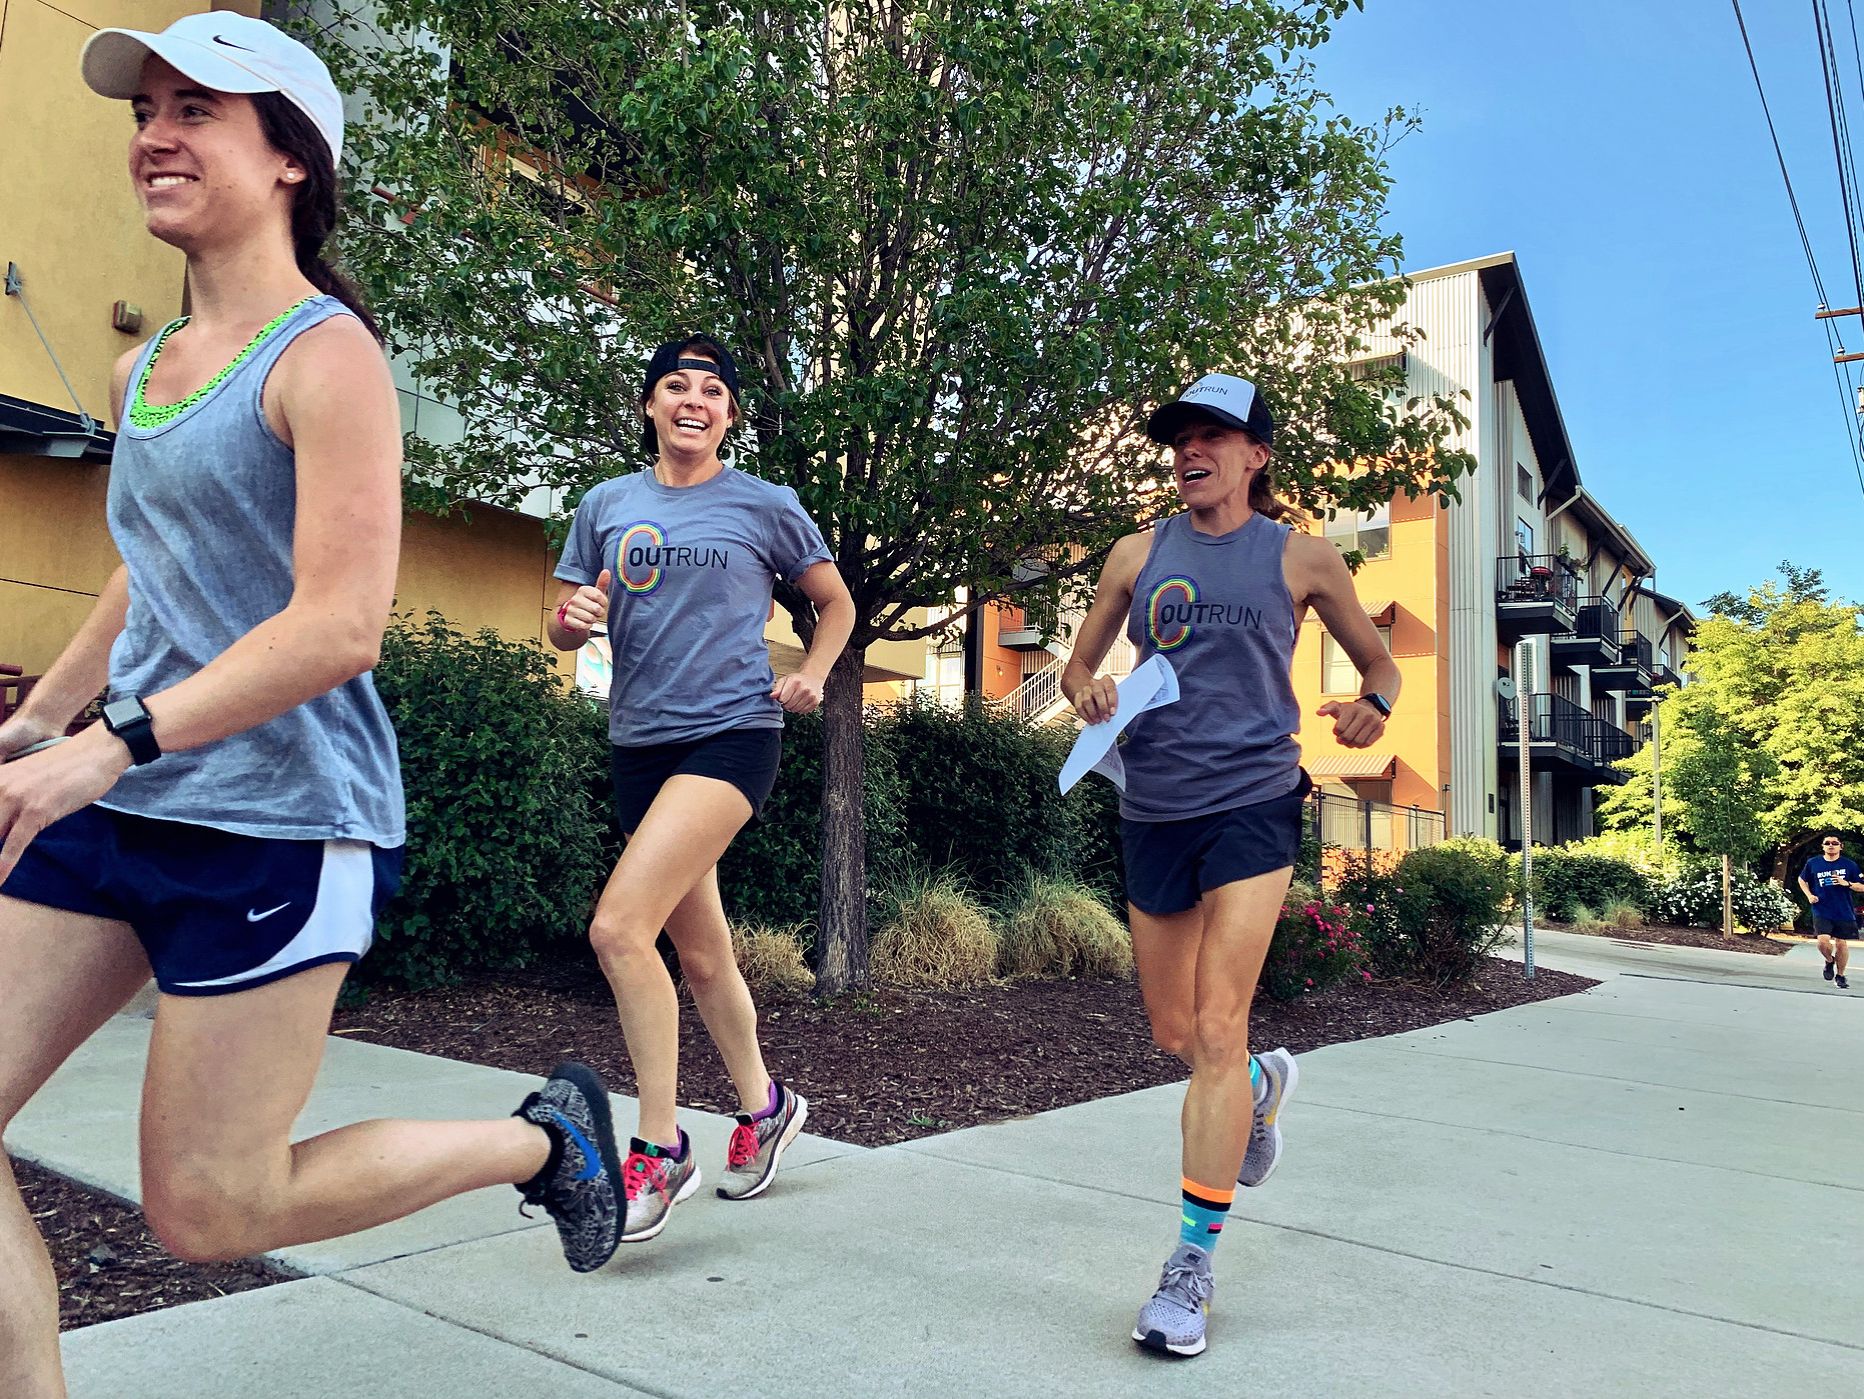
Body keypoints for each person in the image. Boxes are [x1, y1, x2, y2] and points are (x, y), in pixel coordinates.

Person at [0, 18, 624, 1396]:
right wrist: (42, 724)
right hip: (117, 794)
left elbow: (340, 626)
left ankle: (545, 1139)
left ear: (290, 157)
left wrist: (104, 744)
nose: (153, 132)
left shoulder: (328, 358)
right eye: (144, 108)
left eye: (195, 110)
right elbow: (146, 574)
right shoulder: (142, 366)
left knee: (207, 1208)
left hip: (279, 823)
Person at [1060, 373, 1398, 1358]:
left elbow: (1379, 665)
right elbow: (1078, 667)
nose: (1189, 451)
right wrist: (1090, 689)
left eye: (1213, 435)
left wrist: (1374, 700)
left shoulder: (1301, 557)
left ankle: (1189, 1268)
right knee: (1175, 1030)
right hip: (1153, 806)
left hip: (1254, 802)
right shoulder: (1136, 552)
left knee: (1214, 1021)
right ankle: (1257, 1084)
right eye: (1178, 438)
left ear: (1255, 456)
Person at [548, 335, 854, 1242]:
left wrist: (814, 672)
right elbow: (561, 625)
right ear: (649, 405)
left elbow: (834, 602)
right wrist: (573, 620)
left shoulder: (763, 504)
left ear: (728, 414)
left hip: (733, 736)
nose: (693, 399)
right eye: (675, 385)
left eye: (712, 390)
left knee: (617, 928)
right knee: (705, 954)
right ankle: (765, 1107)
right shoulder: (607, 506)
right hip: (638, 744)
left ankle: (659, 1142)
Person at [1797, 835, 1863, 989]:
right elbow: (1802, 880)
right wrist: (1809, 895)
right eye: (1827, 843)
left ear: (1841, 846)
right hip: (1822, 908)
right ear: (1823, 846)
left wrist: (1846, 883)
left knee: (1841, 943)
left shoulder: (1849, 865)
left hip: (1843, 910)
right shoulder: (1813, 863)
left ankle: (1840, 976)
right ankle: (1829, 960)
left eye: (1835, 843)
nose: (1831, 846)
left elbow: (1862, 886)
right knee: (1822, 941)